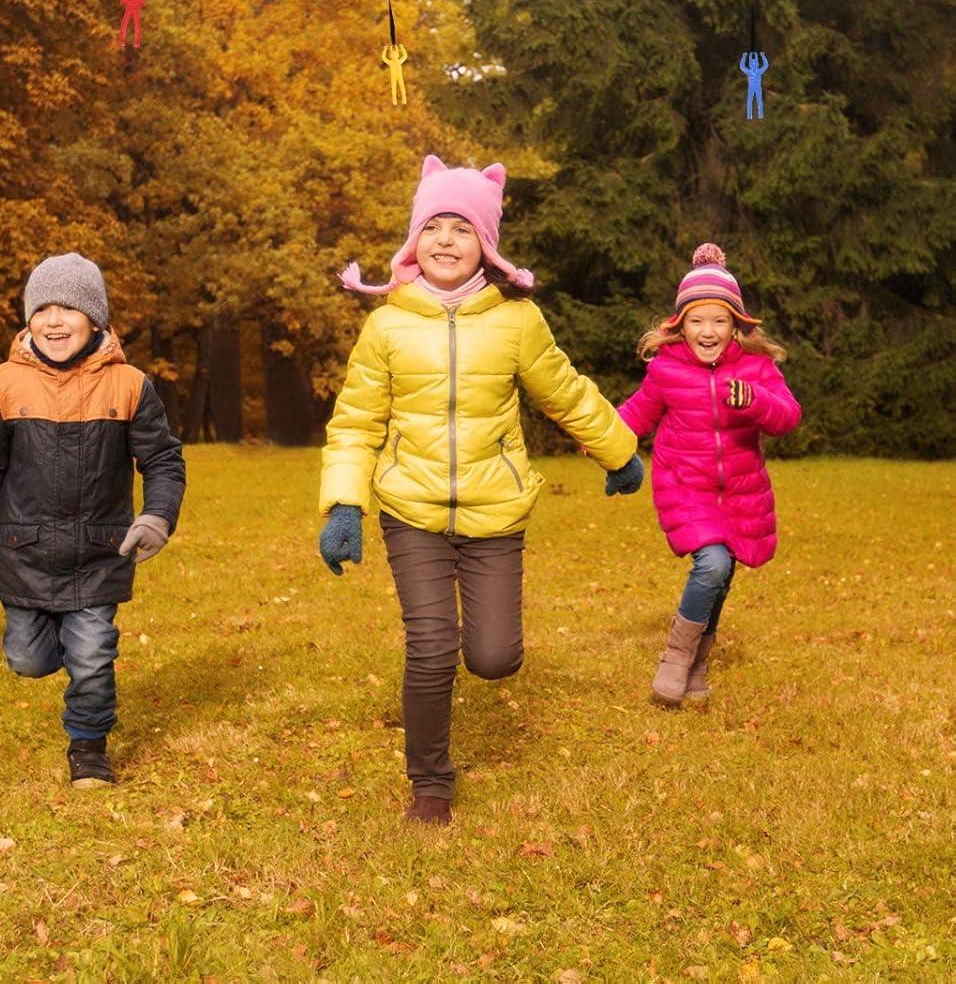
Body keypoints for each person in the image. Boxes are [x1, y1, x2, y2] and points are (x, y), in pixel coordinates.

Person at [319, 157, 641, 824]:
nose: (444, 239)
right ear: (414, 241)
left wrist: (618, 452)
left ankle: (470, 697)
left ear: (485, 246)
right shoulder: (387, 326)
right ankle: (430, 785)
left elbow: (566, 392)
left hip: (496, 510)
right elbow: (355, 420)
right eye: (432, 225)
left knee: (493, 658)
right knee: (431, 644)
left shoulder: (516, 322)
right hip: (412, 508)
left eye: (460, 228)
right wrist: (345, 501)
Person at [0, 253, 185, 788]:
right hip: (24, 550)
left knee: (91, 655)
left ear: (95, 318)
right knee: (27, 659)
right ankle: (60, 649)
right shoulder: (2, 384)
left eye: (68, 308)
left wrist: (157, 516)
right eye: (43, 308)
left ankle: (88, 749)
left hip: (99, 552)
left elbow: (162, 461)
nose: (55, 320)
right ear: (28, 318)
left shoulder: (131, 385)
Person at [614, 243, 801, 705]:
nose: (708, 331)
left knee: (722, 574)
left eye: (719, 320)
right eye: (697, 320)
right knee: (712, 563)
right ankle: (676, 659)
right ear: (681, 325)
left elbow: (787, 418)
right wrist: (599, 435)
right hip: (685, 486)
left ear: (737, 324)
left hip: (741, 492)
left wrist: (755, 400)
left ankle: (697, 666)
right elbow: (635, 415)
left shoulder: (756, 368)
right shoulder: (666, 370)